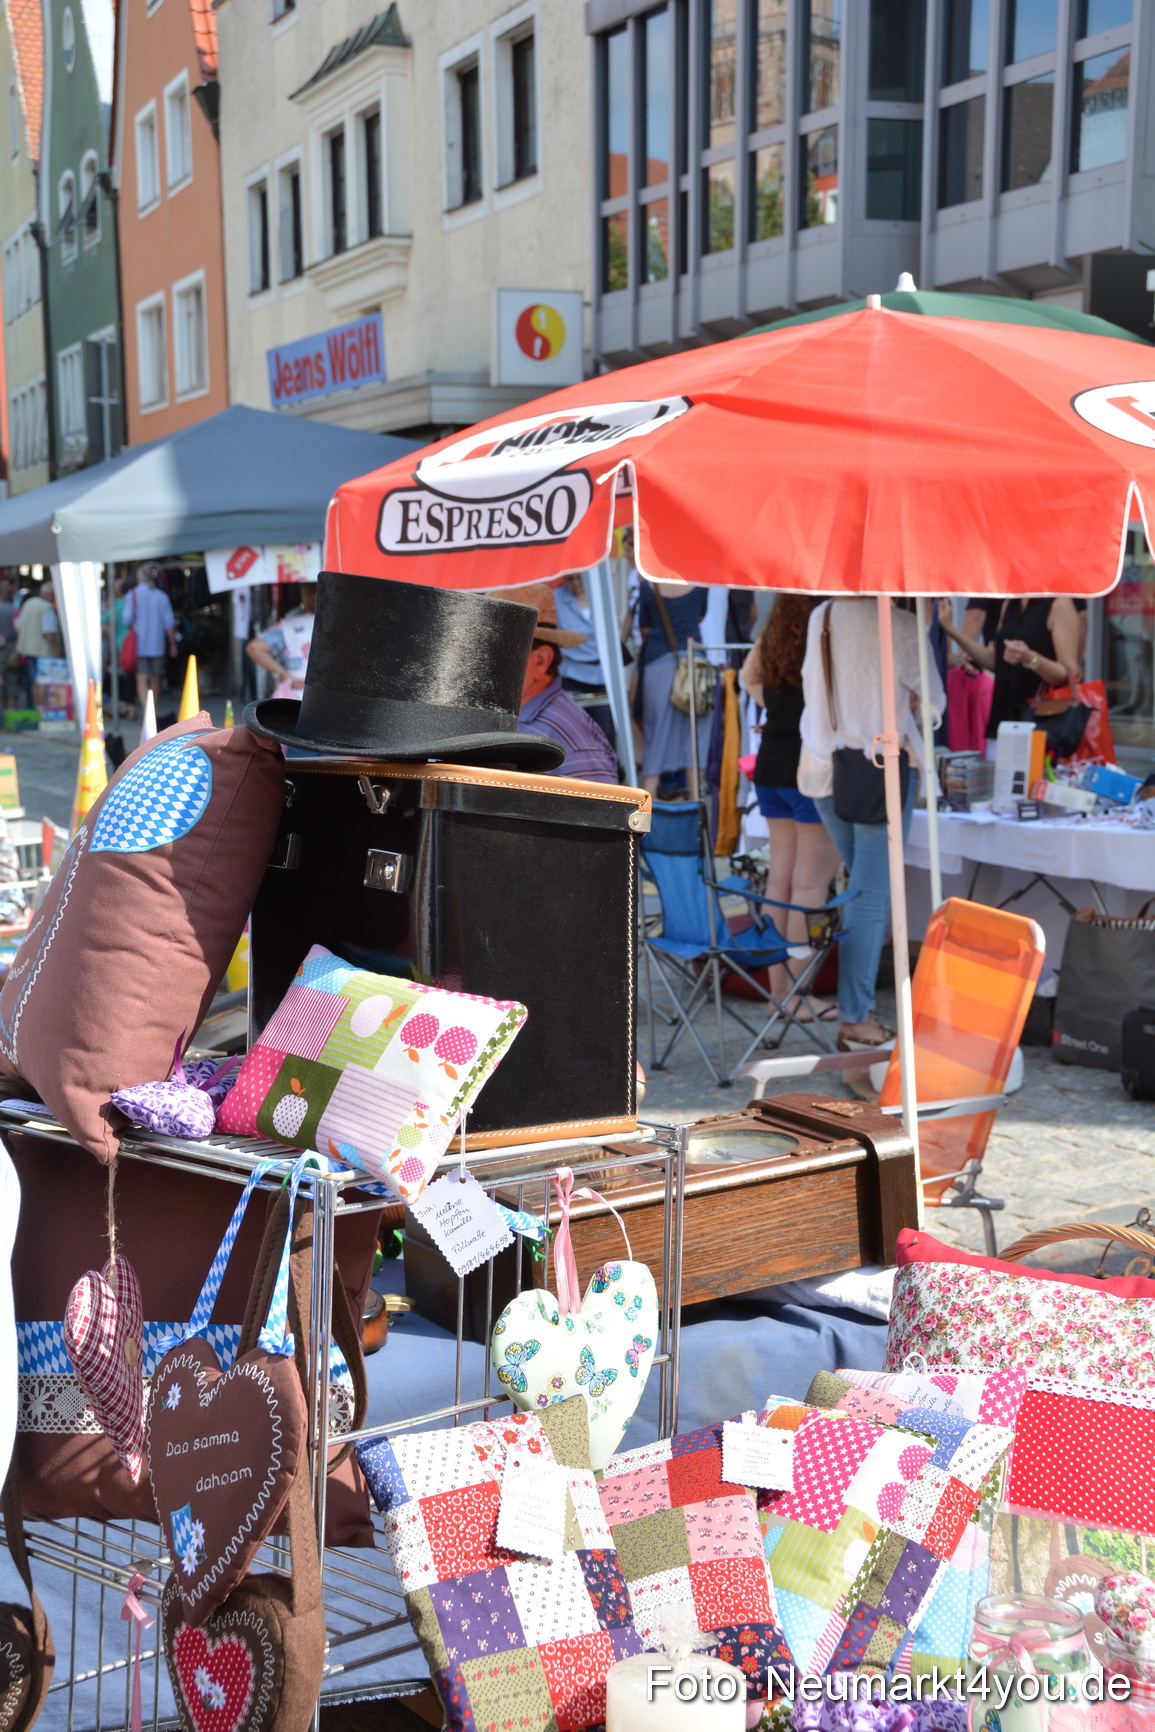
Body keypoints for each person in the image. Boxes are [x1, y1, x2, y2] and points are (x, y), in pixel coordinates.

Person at [801, 596, 945, 1058]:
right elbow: (933, 702)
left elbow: (812, 686)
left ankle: (857, 1013)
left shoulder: (821, 615)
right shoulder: (899, 622)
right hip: (877, 769)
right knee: (870, 899)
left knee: (861, 892)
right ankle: (855, 1018)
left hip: (822, 768)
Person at [741, 596, 841, 1022]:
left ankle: (778, 992)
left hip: (771, 761)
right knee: (810, 887)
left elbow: (747, 677)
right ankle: (798, 996)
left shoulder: (776, 632)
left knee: (779, 881)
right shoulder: (829, 630)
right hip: (811, 764)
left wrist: (779, 710)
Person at [490, 583, 618, 783]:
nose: (486, 661)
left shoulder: (568, 740)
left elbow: (598, 812)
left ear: (541, 660)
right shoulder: (517, 716)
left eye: (500, 652)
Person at [937, 596, 1081, 744]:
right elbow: (997, 662)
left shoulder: (1059, 604)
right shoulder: (1010, 604)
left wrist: (1030, 658)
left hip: (1041, 723)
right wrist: (951, 630)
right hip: (1003, 721)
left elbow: (1067, 673)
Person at [636, 579, 710, 797]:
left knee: (656, 731)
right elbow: (699, 616)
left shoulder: (648, 586)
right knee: (696, 732)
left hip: (658, 660)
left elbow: (645, 627)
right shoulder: (701, 584)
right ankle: (696, 804)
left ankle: (646, 803)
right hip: (694, 660)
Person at [554, 573, 616, 749]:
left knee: (606, 732)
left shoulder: (601, 594)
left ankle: (608, 772)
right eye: (570, 579)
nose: (574, 583)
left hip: (601, 673)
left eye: (578, 579)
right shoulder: (557, 597)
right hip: (571, 673)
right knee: (573, 731)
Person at [246, 583, 317, 697]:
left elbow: (254, 648)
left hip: (297, 693)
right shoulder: (343, 627)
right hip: (332, 696)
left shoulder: (289, 626)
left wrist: (283, 675)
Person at [123, 565, 177, 715]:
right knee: (156, 678)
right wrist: (173, 644)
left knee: (141, 678)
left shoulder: (133, 594)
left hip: (139, 644)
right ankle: (153, 711)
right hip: (157, 643)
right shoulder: (162, 596)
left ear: (139, 577)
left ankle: (147, 713)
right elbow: (169, 623)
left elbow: (127, 619)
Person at [15, 579, 60, 710]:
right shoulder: (46, 607)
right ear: (51, 594)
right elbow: (48, 631)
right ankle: (41, 708)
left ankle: (32, 707)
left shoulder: (28, 603)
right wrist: (57, 648)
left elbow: (19, 625)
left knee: (32, 681)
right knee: (42, 680)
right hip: (42, 650)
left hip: (27, 648)